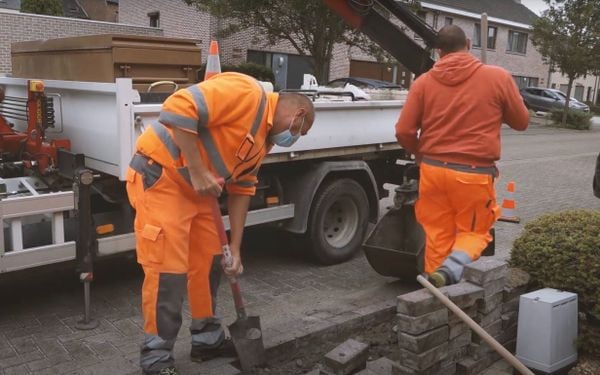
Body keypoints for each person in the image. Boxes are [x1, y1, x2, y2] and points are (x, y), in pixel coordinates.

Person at [126, 72, 315, 375]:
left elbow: (242, 190)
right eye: (299, 131)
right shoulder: (246, 93)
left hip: (199, 192)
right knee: (168, 272)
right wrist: (200, 171)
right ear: (298, 114)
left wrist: (236, 248)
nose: (293, 137)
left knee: (209, 264)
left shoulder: (263, 142)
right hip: (162, 177)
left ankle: (206, 339)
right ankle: (156, 358)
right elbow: (177, 108)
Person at [395, 25, 529, 287]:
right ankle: (451, 271)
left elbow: (403, 131)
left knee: (437, 236)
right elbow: (521, 122)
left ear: (438, 50)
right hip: (472, 174)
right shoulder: (497, 77)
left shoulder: (423, 82)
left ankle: (435, 292)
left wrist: (420, 153)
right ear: (468, 43)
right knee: (475, 232)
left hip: (432, 172)